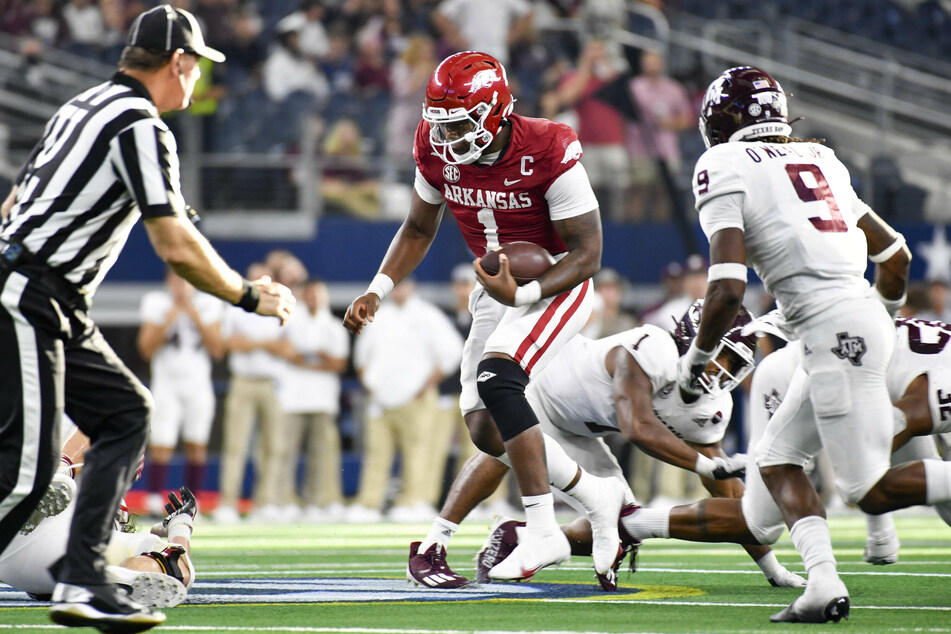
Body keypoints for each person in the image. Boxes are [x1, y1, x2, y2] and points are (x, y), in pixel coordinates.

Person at [0, 6, 294, 631]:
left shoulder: (80, 107)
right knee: (25, 474)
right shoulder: (140, 123)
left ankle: (82, 579)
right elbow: (176, 244)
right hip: (30, 292)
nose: (198, 81)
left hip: (44, 293)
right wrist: (247, 295)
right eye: (197, 68)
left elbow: (14, 203)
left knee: (126, 413)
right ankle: (82, 574)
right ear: (179, 62)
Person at [676, 65, 951, 623]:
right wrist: (881, 316)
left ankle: (828, 577)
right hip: (856, 317)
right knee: (777, 461)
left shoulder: (722, 162)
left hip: (832, 329)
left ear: (719, 123)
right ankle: (823, 583)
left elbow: (728, 287)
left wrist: (697, 360)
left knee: (868, 490)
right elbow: (896, 256)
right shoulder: (820, 158)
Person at [344, 50, 612, 581]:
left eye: (460, 124)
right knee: (486, 429)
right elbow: (418, 229)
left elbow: (589, 254)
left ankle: (542, 528)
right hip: (494, 290)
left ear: (495, 110)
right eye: (440, 125)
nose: (448, 138)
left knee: (499, 377)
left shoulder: (549, 145)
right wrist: (379, 287)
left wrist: (529, 291)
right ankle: (594, 493)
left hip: (557, 281)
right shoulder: (434, 148)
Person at [413, 299, 804, 591]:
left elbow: (726, 490)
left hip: (581, 431)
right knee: (502, 446)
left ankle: (515, 538)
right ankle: (434, 543)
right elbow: (638, 428)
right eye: (721, 358)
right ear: (693, 338)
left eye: (734, 365)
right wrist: (705, 466)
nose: (723, 373)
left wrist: (770, 565)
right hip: (545, 389)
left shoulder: (714, 404)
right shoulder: (654, 347)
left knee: (618, 522)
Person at [620, 312, 951, 573]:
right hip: (799, 373)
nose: (721, 369)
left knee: (927, 480)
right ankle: (637, 524)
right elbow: (883, 436)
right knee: (761, 523)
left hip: (859, 378)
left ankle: (854, 557)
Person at [0, 427, 198, 609]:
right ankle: (101, 582)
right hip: (36, 566)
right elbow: (178, 570)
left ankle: (60, 470)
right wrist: (181, 526)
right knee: (174, 568)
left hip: (31, 540)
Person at [349, 278, 463, 523]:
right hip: (380, 399)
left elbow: (452, 352)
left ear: (412, 286)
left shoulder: (428, 315)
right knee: (376, 453)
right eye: (395, 286)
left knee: (419, 452)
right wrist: (369, 385)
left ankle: (415, 501)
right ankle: (369, 503)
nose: (399, 290)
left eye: (403, 285)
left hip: (417, 397)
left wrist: (426, 385)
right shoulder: (377, 316)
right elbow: (361, 357)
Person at [137, 269, 225, 516]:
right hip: (166, 383)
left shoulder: (208, 304)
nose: (181, 286)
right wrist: (172, 315)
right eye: (176, 280)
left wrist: (193, 314)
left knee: (197, 442)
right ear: (168, 281)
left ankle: (191, 501)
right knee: (162, 442)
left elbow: (218, 350)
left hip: (197, 383)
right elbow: (145, 349)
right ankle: (154, 498)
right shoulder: (157, 303)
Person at [214, 262, 290, 525]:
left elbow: (287, 347)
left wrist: (252, 344)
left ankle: (266, 502)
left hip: (271, 383)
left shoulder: (282, 301)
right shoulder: (235, 305)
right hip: (243, 381)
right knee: (236, 444)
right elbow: (229, 343)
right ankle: (228, 503)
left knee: (273, 446)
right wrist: (264, 345)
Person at [276, 278, 350, 522]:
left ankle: (323, 501)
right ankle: (283, 501)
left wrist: (309, 359)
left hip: (322, 400)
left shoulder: (333, 326)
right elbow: (287, 354)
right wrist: (319, 358)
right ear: (304, 296)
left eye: (319, 294)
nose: (314, 298)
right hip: (292, 398)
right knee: (285, 452)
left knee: (324, 454)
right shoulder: (291, 322)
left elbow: (338, 363)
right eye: (310, 294)